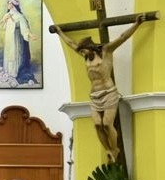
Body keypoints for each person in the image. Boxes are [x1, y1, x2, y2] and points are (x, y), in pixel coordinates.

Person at [54, 14, 146, 162]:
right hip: (95, 95)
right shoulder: (85, 54)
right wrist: (60, 32)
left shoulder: (106, 51)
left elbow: (122, 37)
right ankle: (108, 149)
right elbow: (71, 43)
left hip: (109, 93)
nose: (82, 53)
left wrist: (137, 24)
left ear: (91, 47)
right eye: (82, 51)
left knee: (107, 124)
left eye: (84, 50)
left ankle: (115, 149)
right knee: (98, 125)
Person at [0, 0, 38, 85]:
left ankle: (15, 72)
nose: (8, 5)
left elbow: (25, 27)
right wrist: (5, 19)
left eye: (9, 3)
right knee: (9, 52)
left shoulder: (20, 16)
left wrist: (30, 35)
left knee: (15, 53)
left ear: (13, 5)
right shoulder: (7, 15)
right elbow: (1, 26)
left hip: (16, 37)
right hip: (8, 37)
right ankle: (8, 72)